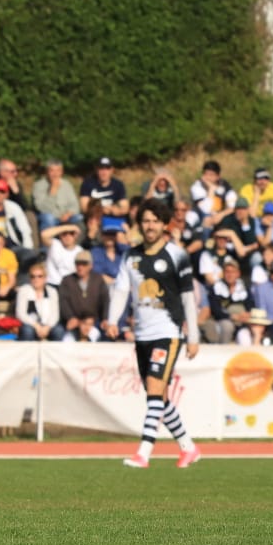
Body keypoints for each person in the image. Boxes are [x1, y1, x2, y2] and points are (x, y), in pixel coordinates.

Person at [104, 198, 202, 469]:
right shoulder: (130, 256)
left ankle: (143, 452)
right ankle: (188, 448)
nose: (149, 226)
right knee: (157, 396)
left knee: (156, 389)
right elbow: (121, 289)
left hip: (168, 332)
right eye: (145, 221)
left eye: (155, 221)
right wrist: (112, 319)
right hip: (142, 334)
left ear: (164, 224)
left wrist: (192, 337)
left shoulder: (177, 255)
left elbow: (187, 298)